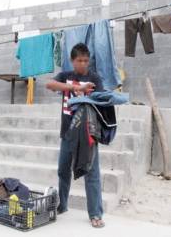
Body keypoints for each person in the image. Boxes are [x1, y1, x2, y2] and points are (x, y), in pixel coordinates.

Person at [46, 43, 105, 228]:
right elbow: (49, 84)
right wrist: (73, 89)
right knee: (63, 171)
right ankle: (62, 205)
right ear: (72, 61)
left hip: (88, 135)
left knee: (92, 174)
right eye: (79, 60)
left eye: (86, 60)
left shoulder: (93, 78)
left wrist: (91, 92)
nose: (83, 64)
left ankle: (95, 213)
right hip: (68, 133)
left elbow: (103, 100)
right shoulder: (66, 76)